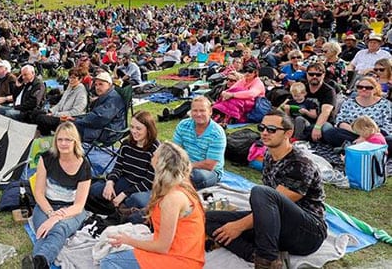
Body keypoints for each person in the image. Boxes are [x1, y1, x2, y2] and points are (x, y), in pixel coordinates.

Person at [205, 110, 327, 268]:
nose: (264, 133)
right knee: (208, 218)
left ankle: (266, 259)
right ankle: (254, 255)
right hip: (275, 225)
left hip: (308, 232)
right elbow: (269, 210)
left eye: (271, 129)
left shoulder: (301, 163)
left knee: (260, 192)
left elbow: (277, 201)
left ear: (288, 133)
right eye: (262, 128)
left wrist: (239, 226)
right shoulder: (269, 156)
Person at [99, 141, 206, 269]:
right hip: (185, 251)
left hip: (180, 259)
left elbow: (162, 247)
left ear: (161, 163)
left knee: (109, 262)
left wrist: (128, 240)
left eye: (154, 154)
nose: (152, 155)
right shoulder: (182, 183)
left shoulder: (172, 198)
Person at [22, 122, 91, 269]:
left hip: (71, 210)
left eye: (68, 140)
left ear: (75, 142)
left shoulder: (84, 165)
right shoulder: (46, 159)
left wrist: (57, 217)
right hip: (46, 206)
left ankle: (38, 262)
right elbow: (39, 194)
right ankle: (41, 263)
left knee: (58, 229)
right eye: (60, 139)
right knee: (43, 233)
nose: (63, 143)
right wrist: (50, 213)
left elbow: (79, 205)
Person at [88, 111, 158, 222]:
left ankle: (120, 207)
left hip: (143, 188)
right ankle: (118, 207)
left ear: (148, 129)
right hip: (125, 181)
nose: (134, 131)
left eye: (138, 129)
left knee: (137, 200)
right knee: (94, 190)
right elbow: (118, 167)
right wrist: (110, 183)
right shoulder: (126, 144)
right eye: (132, 127)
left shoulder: (155, 149)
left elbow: (149, 182)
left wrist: (124, 194)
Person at [173, 96, 227, 189]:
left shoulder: (217, 133)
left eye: (202, 111)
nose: (198, 114)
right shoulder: (183, 125)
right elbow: (175, 149)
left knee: (197, 176)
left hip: (208, 172)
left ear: (210, 111)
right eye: (195, 110)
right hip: (185, 166)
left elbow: (210, 165)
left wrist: (187, 167)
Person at [323, 77, 392, 148]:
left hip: (376, 136)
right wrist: (361, 134)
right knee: (330, 133)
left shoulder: (385, 104)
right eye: (360, 87)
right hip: (353, 133)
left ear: (375, 89)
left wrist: (366, 137)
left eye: (368, 88)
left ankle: (353, 145)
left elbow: (387, 127)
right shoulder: (348, 102)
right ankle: (360, 145)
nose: (363, 89)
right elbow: (340, 122)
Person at [70, 71, 126, 146]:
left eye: (101, 84)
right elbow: (94, 115)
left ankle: (72, 152)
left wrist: (77, 120)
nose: (97, 87)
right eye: (96, 85)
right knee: (70, 124)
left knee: (70, 128)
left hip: (109, 132)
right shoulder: (107, 95)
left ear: (109, 84)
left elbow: (99, 118)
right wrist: (75, 118)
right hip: (103, 127)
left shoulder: (113, 99)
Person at [34, 68, 88, 135]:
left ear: (80, 79)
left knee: (41, 118)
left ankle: (47, 136)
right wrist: (50, 111)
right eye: (70, 77)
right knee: (36, 113)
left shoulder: (81, 92)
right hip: (60, 114)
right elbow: (60, 104)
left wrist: (55, 115)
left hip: (68, 119)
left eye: (74, 78)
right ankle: (45, 135)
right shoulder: (70, 87)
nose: (71, 80)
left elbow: (76, 112)